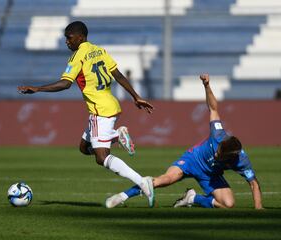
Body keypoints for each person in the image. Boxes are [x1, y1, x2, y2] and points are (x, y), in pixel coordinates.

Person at [17, 21, 154, 203]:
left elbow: (65, 83)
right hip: (109, 105)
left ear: (80, 37)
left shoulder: (77, 57)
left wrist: (38, 89)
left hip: (100, 111)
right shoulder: (100, 51)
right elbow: (118, 75)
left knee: (101, 157)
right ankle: (116, 136)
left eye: (69, 37)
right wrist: (136, 96)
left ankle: (142, 182)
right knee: (84, 147)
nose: (67, 41)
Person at [106, 74, 263, 209]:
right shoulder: (218, 134)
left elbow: (253, 183)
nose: (216, 153)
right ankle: (123, 196)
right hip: (192, 160)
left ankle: (193, 198)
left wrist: (258, 208)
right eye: (218, 150)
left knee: (228, 204)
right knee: (164, 180)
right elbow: (214, 108)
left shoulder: (241, 160)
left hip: (210, 176)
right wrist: (206, 85)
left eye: (219, 154)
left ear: (230, 158)